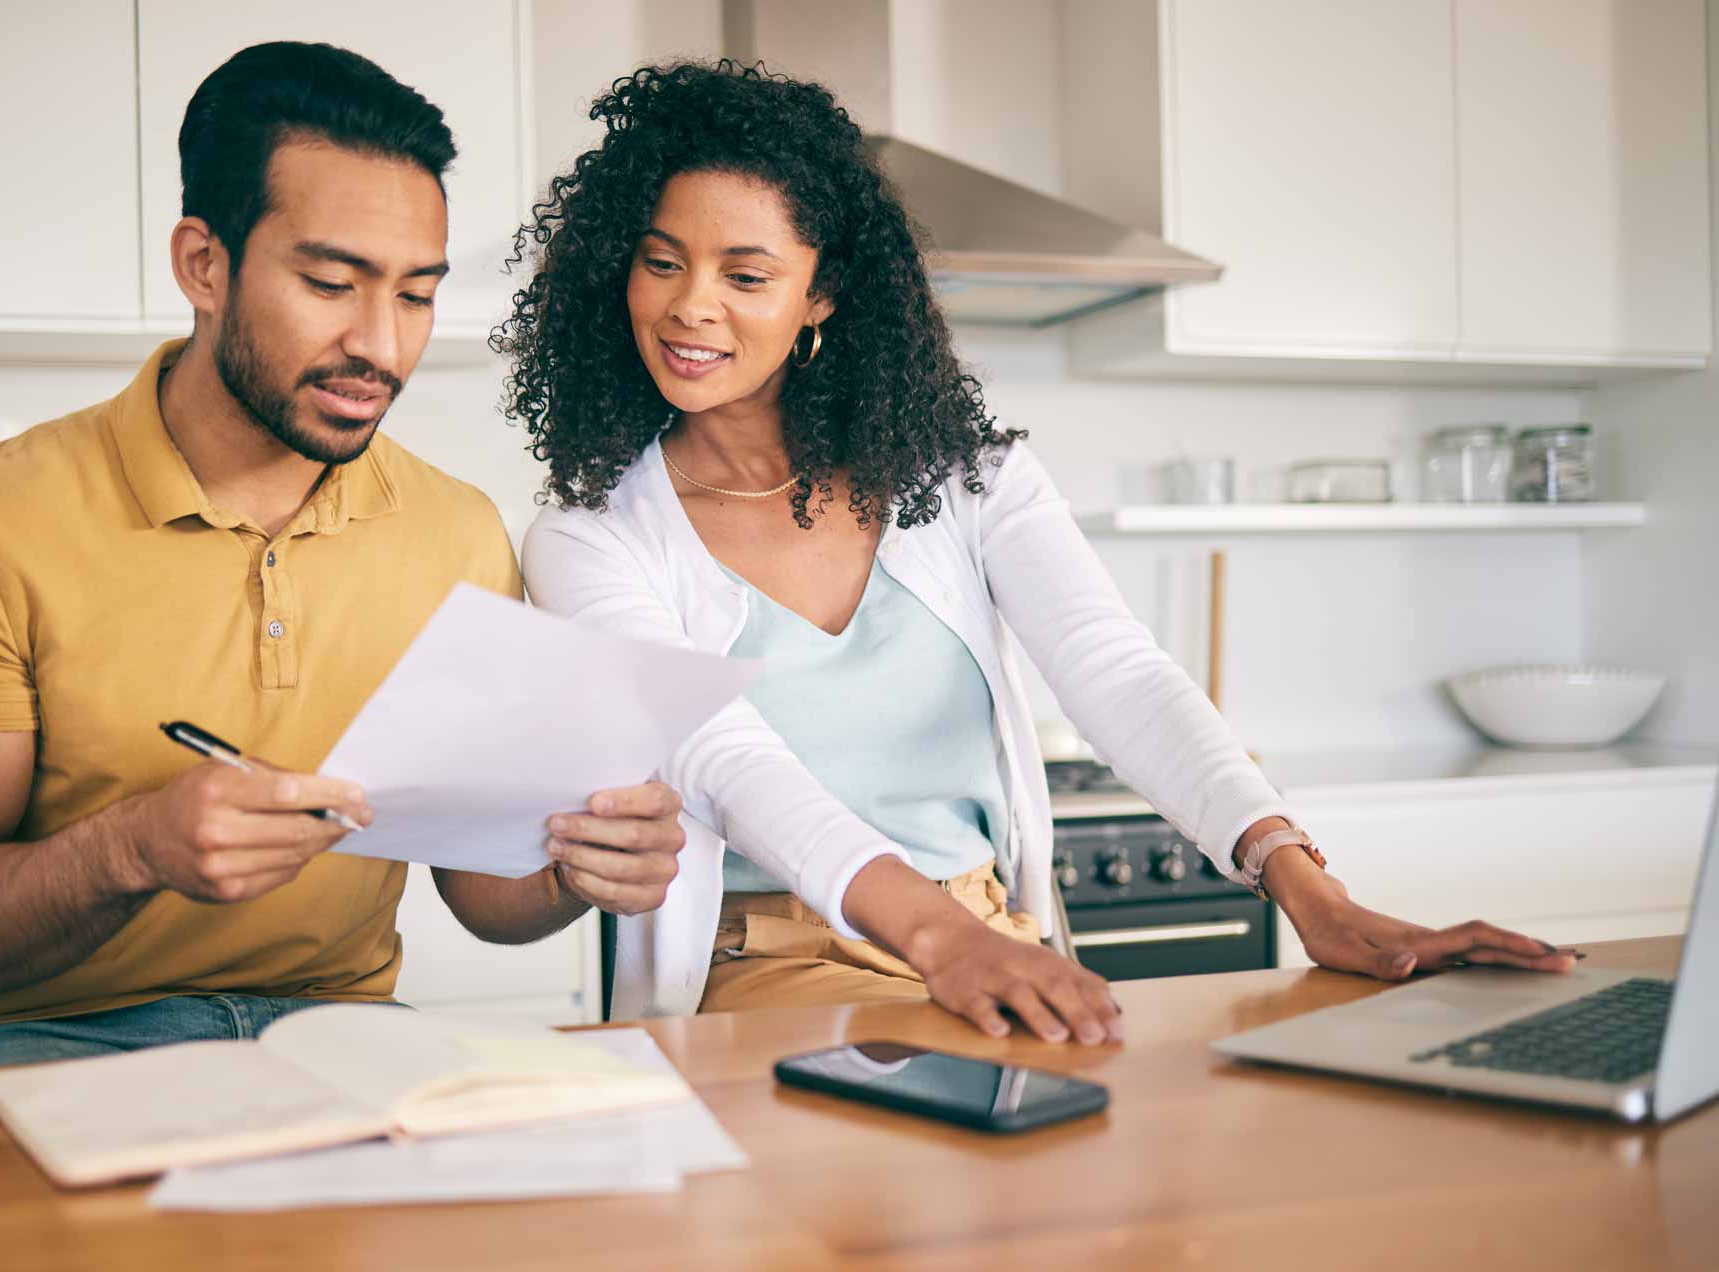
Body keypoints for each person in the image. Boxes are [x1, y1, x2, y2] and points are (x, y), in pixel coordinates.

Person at [499, 60, 1574, 1043]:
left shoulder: (961, 477)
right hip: (772, 971)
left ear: (818, 297)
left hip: (990, 939)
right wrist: (935, 940)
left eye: (745, 275)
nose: (690, 305)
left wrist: (1311, 897)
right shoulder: (590, 535)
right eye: (660, 262)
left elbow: (1117, 673)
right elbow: (725, 763)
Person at [0, 42, 685, 1073]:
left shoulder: (456, 532)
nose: (381, 346)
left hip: (342, 1039)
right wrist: (133, 849)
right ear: (203, 264)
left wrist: (580, 866)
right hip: (42, 1041)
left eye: (416, 295)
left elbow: (483, 895)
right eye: (331, 282)